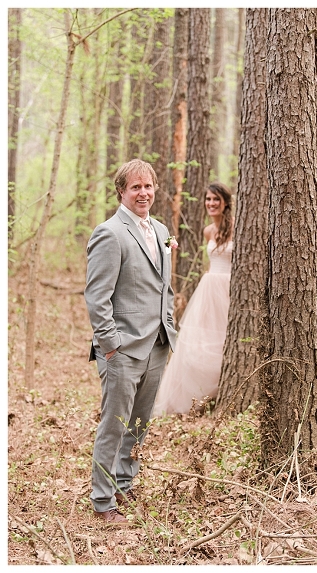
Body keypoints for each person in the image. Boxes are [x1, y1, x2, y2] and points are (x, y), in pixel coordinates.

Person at [85, 159, 177, 524]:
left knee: (139, 423)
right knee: (115, 422)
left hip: (157, 345)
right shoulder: (109, 233)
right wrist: (110, 345)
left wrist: (168, 326)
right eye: (135, 187)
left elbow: (164, 287)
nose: (144, 193)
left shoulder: (160, 229)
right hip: (121, 349)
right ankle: (103, 499)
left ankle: (125, 482)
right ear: (121, 191)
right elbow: (97, 296)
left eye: (149, 186)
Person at [153, 182, 234, 416]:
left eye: (216, 200)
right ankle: (195, 398)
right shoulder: (208, 231)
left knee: (224, 338)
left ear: (226, 202)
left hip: (230, 287)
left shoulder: (237, 226)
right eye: (208, 199)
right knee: (200, 341)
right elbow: (213, 260)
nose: (211, 204)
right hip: (210, 288)